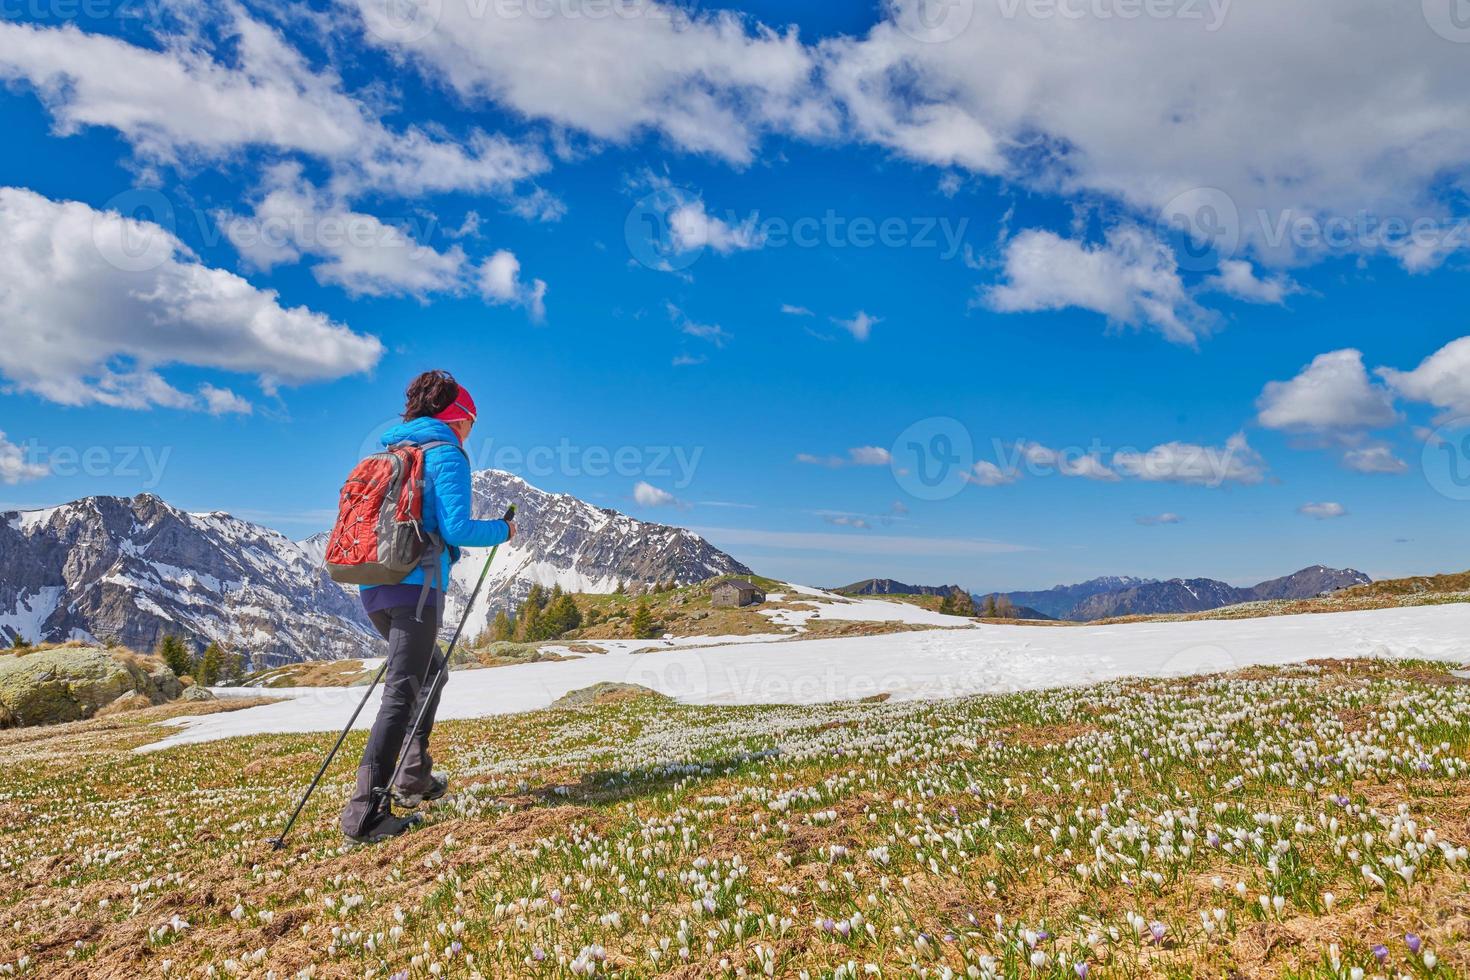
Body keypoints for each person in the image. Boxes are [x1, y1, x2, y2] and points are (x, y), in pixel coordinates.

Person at [340, 370, 515, 844]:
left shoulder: (390, 453)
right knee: (402, 690)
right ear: (459, 418)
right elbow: (456, 529)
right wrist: (504, 531)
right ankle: (364, 814)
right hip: (417, 589)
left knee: (430, 673)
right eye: (472, 422)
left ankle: (413, 776)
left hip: (373, 586)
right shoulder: (446, 455)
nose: (471, 431)